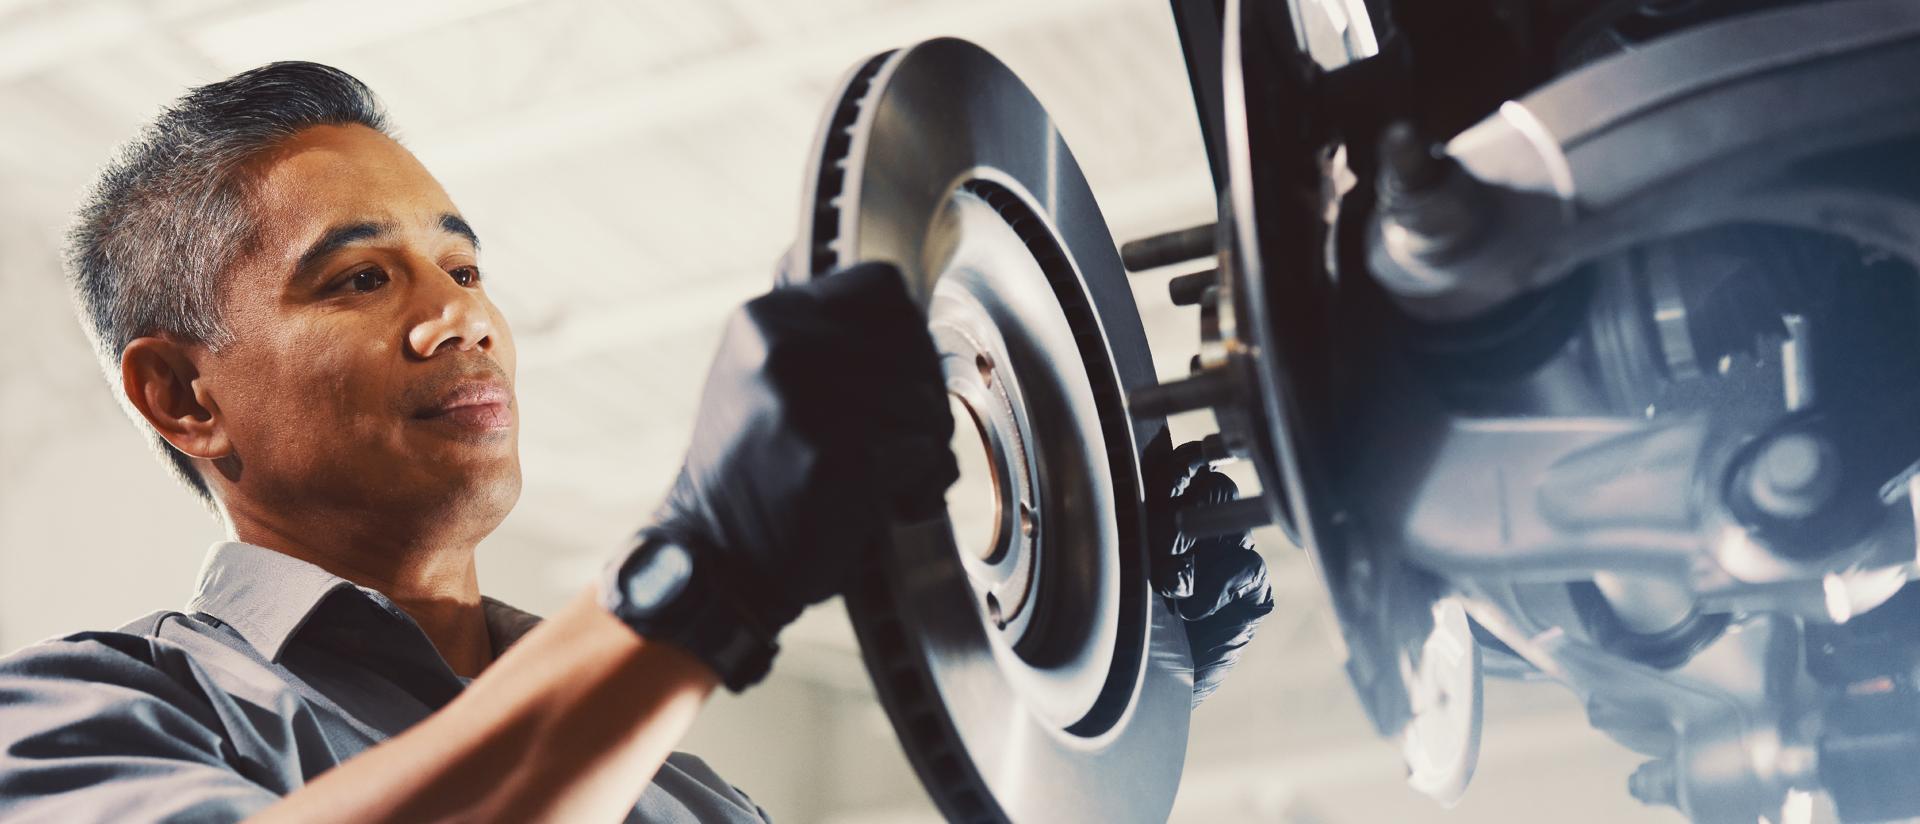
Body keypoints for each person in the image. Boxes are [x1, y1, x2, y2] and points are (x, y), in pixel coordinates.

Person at [0, 62, 1273, 822]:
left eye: (463, 264)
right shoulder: (95, 714)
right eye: (358, 282)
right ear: (182, 395)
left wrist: (1108, 686)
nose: (459, 317)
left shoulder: (683, 795)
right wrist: (702, 569)